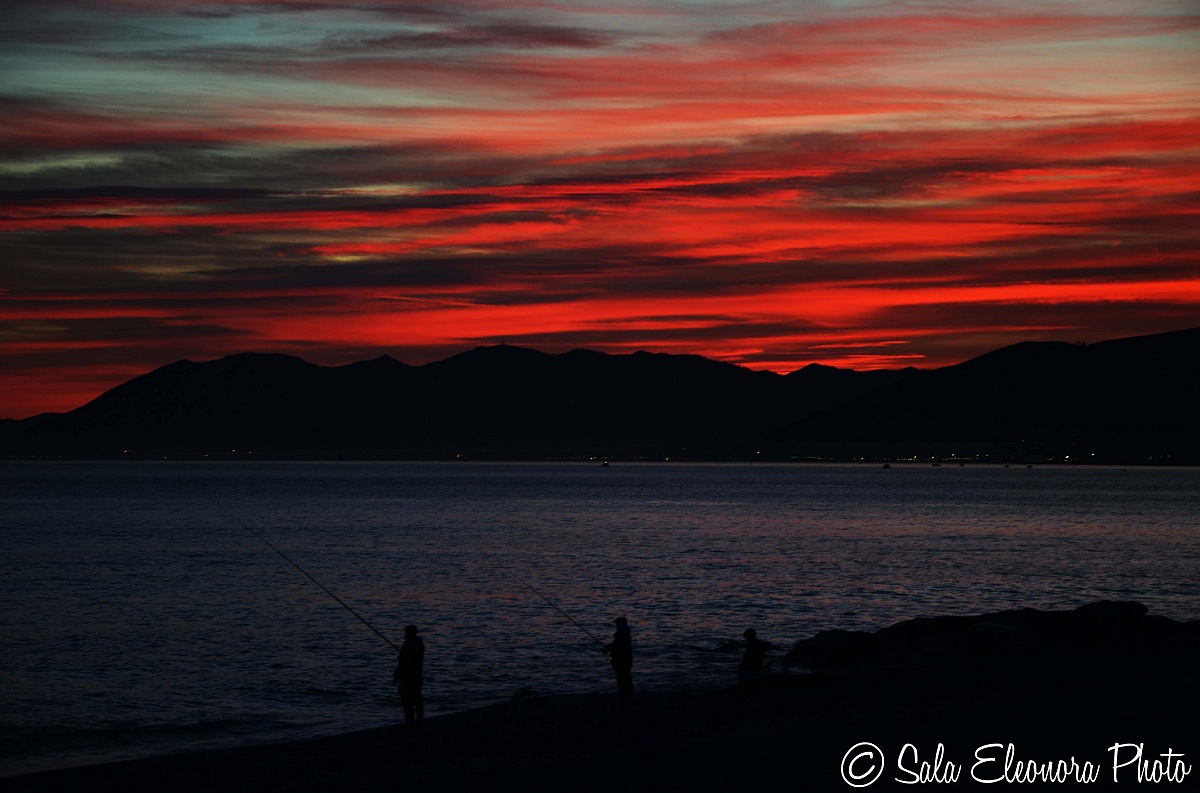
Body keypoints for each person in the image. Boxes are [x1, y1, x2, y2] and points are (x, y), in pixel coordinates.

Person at [393, 624, 425, 727]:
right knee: (416, 698)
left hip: (408, 677)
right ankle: (419, 719)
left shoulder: (409, 646)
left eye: (406, 632)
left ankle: (410, 721)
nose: (405, 634)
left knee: (408, 700)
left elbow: (403, 663)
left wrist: (396, 676)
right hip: (416, 676)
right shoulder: (418, 645)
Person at [604, 616, 634, 695]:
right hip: (626, 659)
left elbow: (619, 646)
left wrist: (610, 648)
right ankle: (628, 695)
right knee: (626, 678)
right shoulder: (625, 633)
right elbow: (617, 644)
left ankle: (625, 695)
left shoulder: (621, 634)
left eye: (617, 624)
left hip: (621, 660)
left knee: (622, 678)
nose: (616, 625)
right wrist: (609, 647)